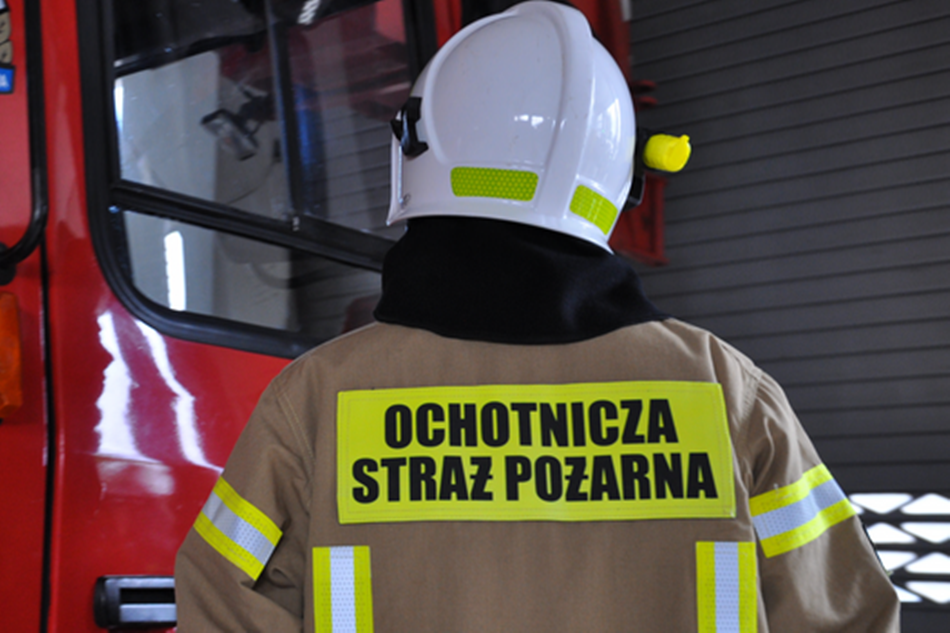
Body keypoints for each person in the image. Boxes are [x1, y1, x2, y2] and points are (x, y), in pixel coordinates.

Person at [175, 2, 900, 630]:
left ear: (417, 151)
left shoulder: (317, 397)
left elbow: (222, 599)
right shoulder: (724, 390)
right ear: (618, 180)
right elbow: (844, 612)